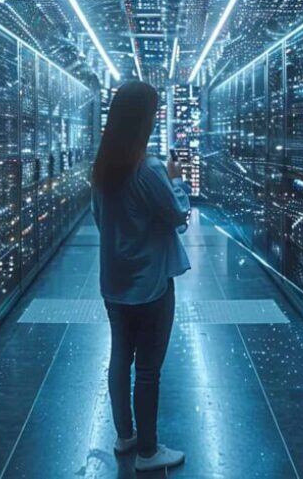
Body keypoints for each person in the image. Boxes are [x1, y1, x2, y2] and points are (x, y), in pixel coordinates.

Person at [91, 81, 190, 473]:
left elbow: (101, 220)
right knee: (147, 369)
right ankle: (148, 452)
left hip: (114, 283)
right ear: (142, 121)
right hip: (150, 284)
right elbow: (177, 215)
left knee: (120, 358)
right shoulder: (148, 169)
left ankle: (125, 436)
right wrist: (176, 179)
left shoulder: (102, 166)